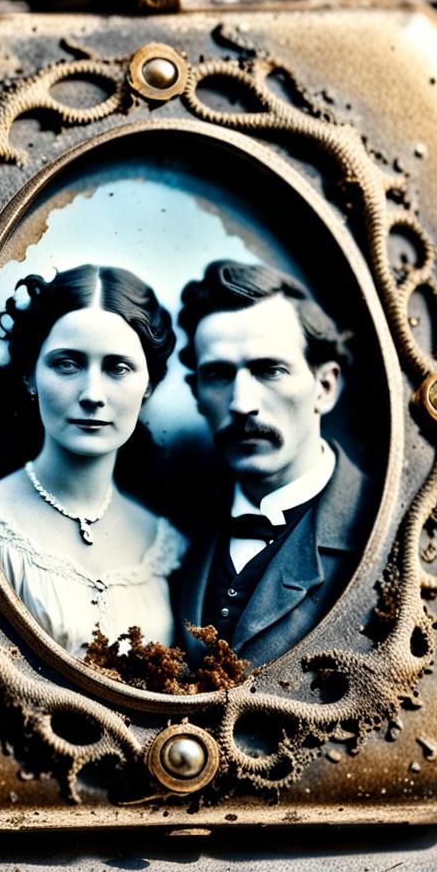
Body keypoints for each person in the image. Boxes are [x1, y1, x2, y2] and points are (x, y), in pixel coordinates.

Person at [0, 264, 186, 659]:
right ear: (29, 377)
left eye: (117, 368)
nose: (92, 394)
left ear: (149, 385)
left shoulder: (166, 545)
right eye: (67, 364)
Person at [172, 260, 374, 668]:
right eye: (218, 375)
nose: (241, 403)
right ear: (196, 393)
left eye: (270, 370)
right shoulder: (177, 537)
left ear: (325, 386)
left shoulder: (381, 520)